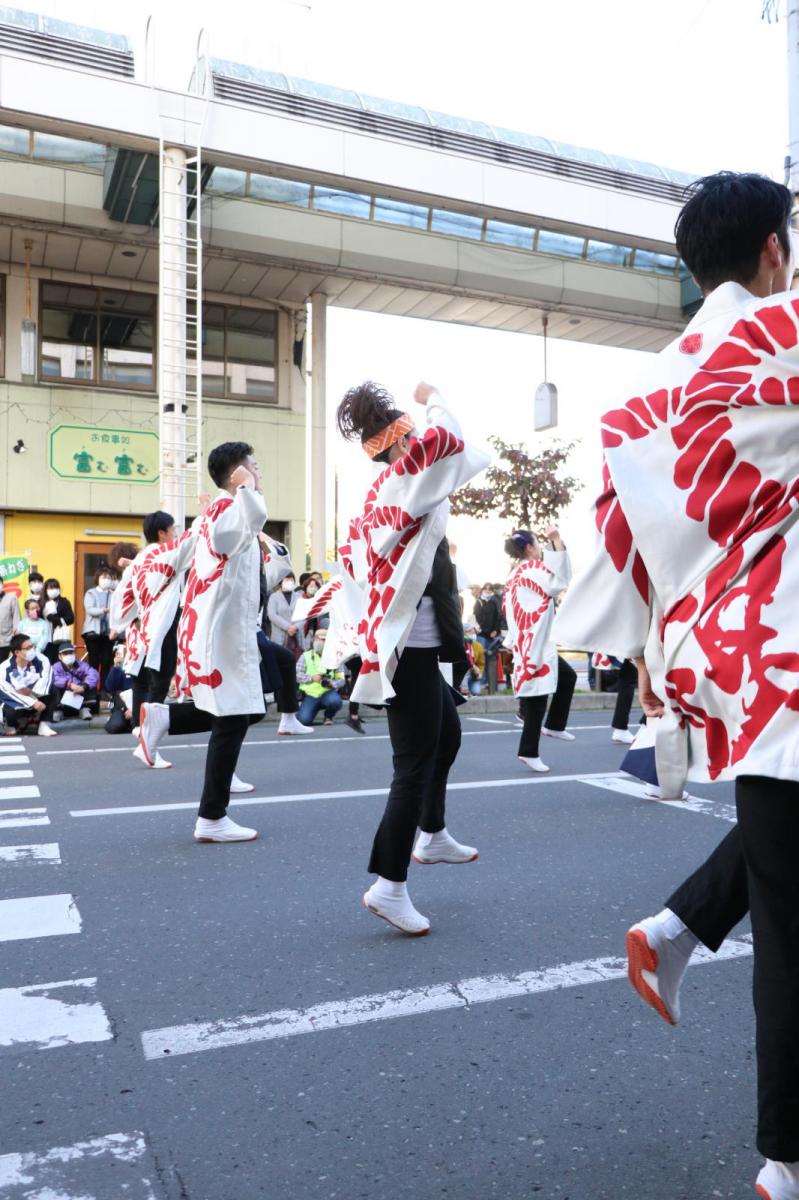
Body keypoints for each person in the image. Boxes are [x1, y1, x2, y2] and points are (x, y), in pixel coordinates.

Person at [554, 171, 799, 1200]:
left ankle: (674, 931)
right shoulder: (780, 336)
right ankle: (783, 1162)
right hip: (790, 635)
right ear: (775, 252)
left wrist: (637, 654)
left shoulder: (644, 394)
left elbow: (618, 546)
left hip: (734, 662)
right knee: (791, 915)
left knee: (787, 866)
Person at [337, 379, 489, 936]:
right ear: (396, 440)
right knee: (412, 768)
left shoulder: (384, 489)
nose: (418, 443)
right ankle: (389, 886)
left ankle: (433, 833)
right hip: (407, 650)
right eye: (408, 436)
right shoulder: (405, 478)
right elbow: (450, 437)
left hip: (408, 643)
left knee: (446, 737)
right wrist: (434, 396)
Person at [137, 442, 270, 841]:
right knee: (233, 717)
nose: (258, 471)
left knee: (241, 711)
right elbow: (254, 520)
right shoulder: (231, 509)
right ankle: (212, 817)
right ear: (237, 473)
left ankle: (164, 718)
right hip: (223, 636)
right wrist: (247, 490)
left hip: (223, 632)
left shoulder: (217, 512)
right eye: (253, 465)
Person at [503, 528, 574, 773]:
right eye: (538, 543)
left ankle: (554, 725)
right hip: (533, 642)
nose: (541, 547)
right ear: (530, 548)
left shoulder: (515, 573)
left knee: (567, 677)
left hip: (528, 640)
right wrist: (556, 540)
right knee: (537, 696)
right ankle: (528, 751)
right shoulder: (531, 569)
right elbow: (560, 581)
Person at [0, 633, 57, 736]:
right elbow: (9, 693)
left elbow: (46, 680)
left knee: (54, 690)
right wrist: (32, 702)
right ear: (17, 652)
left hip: (35, 695)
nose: (32, 650)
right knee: (8, 709)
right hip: (17, 701)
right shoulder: (4, 668)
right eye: (28, 648)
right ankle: (16, 723)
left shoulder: (42, 660)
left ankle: (44, 725)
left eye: (33, 646)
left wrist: (30, 692)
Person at [296, 628, 345, 725]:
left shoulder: (335, 657)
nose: (320, 642)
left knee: (335, 702)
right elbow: (297, 675)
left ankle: (328, 716)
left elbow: (341, 679)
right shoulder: (305, 656)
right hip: (310, 695)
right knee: (303, 721)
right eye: (318, 639)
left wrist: (332, 683)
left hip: (327, 692)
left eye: (323, 640)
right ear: (314, 640)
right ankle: (309, 710)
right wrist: (311, 678)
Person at [82, 566, 120, 689]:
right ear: (97, 578)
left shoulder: (114, 594)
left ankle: (104, 689)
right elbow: (90, 609)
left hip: (108, 634)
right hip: (93, 633)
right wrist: (104, 610)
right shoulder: (91, 593)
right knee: (93, 661)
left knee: (106, 662)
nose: (106, 580)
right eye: (104, 577)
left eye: (109, 578)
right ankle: (92, 688)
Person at [51, 642, 99, 722]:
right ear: (60, 656)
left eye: (71, 653)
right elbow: (54, 678)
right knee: (54, 688)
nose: (69, 655)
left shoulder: (82, 665)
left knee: (91, 685)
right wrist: (69, 684)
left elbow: (93, 674)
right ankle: (58, 711)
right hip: (64, 694)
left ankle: (84, 709)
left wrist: (84, 686)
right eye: (65, 654)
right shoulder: (55, 667)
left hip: (79, 693)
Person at [473, 582, 502, 692]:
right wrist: (484, 630)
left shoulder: (494, 603)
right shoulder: (478, 602)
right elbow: (477, 618)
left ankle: (488, 684)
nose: (488, 591)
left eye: (490, 589)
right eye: (486, 589)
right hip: (481, 634)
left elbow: (497, 617)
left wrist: (495, 630)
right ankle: (481, 682)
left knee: (490, 659)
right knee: (482, 659)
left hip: (492, 635)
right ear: (482, 590)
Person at [104, 642, 135, 734]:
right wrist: (116, 667)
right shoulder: (119, 669)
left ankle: (132, 723)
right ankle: (126, 723)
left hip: (139, 703)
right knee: (114, 727)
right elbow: (109, 687)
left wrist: (134, 709)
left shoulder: (142, 667)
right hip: (122, 704)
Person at [42, 578, 75, 662]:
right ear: (45, 590)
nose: (53, 590)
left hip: (60, 637)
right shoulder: (42, 602)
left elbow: (70, 619)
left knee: (61, 662)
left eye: (55, 587)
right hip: (45, 638)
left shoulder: (64, 602)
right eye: (50, 588)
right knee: (47, 662)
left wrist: (52, 618)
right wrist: (60, 620)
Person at [267, 572, 301, 653]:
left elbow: (304, 615)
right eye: (287, 580)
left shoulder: (298, 596)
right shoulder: (274, 597)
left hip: (296, 637)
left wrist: (296, 627)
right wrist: (288, 627)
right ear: (281, 582)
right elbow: (272, 615)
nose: (290, 582)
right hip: (279, 637)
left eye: (291, 580)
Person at [0, 577, 20, 664]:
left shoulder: (11, 598)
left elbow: (17, 618)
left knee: (5, 666)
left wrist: (15, 640)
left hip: (7, 640)